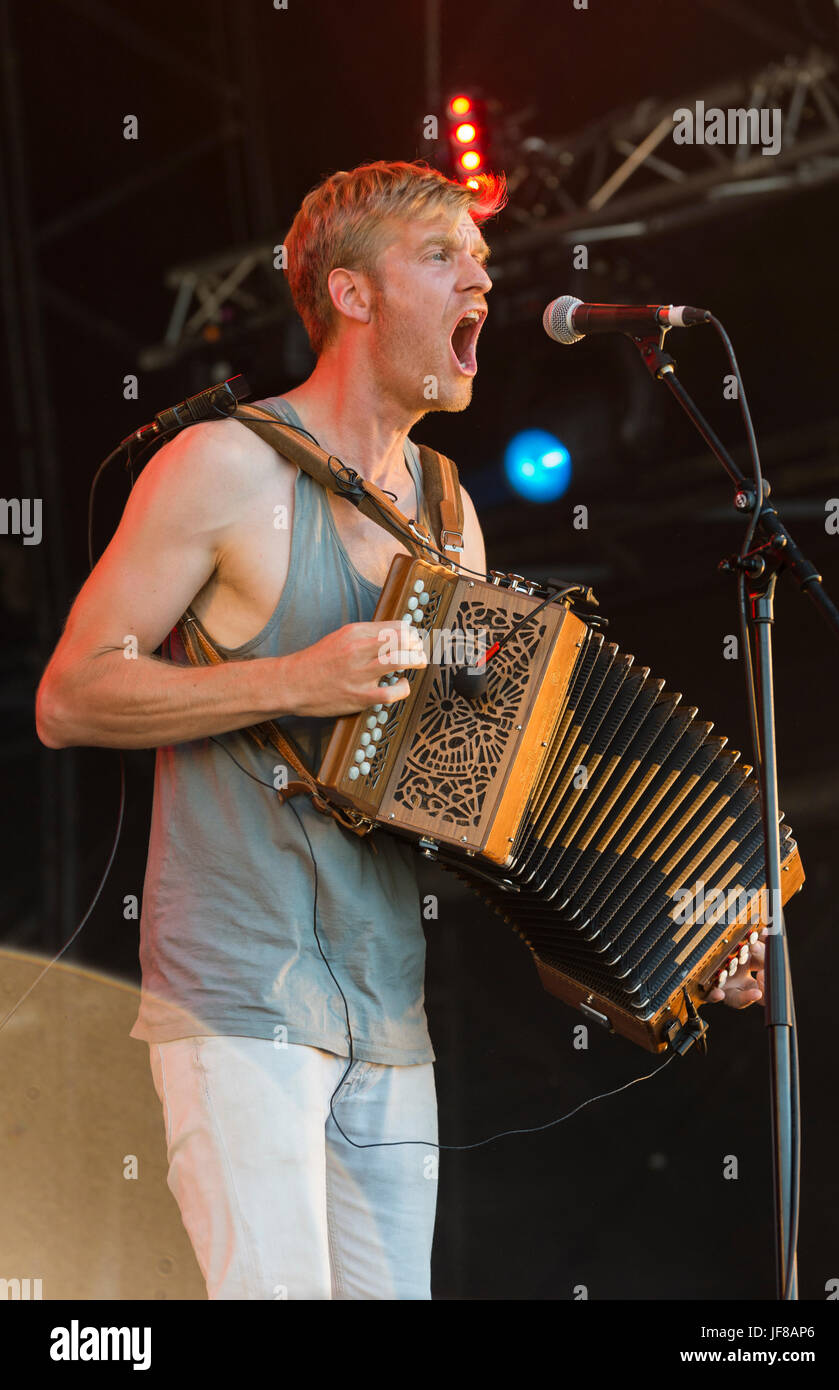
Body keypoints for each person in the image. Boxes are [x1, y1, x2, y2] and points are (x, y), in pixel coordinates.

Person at [35, 158, 764, 1302]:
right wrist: (293, 678)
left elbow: (487, 812)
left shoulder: (446, 508)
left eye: (480, 257)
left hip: (387, 1014)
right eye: (444, 256)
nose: (482, 276)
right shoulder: (221, 464)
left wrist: (672, 945)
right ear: (351, 294)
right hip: (238, 1001)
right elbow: (70, 695)